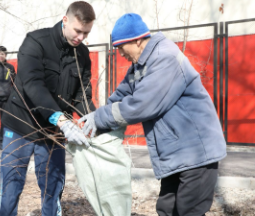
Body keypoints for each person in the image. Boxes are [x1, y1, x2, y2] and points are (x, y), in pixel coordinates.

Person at [79, 13, 227, 216]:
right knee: (166, 209)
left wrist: (99, 118)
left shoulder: (165, 58)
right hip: (177, 154)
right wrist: (92, 123)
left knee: (188, 211)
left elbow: (142, 105)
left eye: (121, 47)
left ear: (138, 40)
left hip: (196, 153)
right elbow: (120, 97)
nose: (120, 53)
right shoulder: (139, 67)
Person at [0, 1, 96, 215]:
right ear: (65, 20)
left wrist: (93, 118)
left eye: (86, 33)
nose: (81, 38)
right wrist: (61, 120)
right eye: (78, 31)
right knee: (11, 187)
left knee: (53, 187)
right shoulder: (36, 42)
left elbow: (82, 94)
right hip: (19, 126)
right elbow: (33, 85)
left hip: (53, 133)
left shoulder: (82, 55)